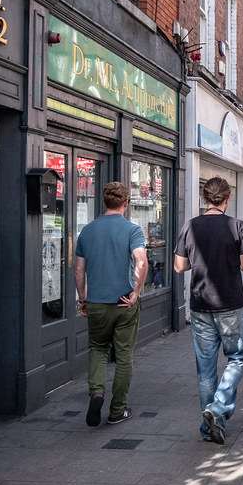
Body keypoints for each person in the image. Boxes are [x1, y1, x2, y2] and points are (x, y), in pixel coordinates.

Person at [173, 177, 243, 445]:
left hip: (200, 305)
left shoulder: (190, 226)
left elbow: (178, 266)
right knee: (238, 357)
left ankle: (211, 426)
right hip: (230, 304)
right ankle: (217, 408)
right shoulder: (237, 226)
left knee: (205, 369)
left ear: (205, 197)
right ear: (227, 198)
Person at [75, 181, 147, 427]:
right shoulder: (132, 230)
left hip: (96, 302)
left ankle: (96, 392)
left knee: (97, 349)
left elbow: (79, 271)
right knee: (124, 356)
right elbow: (141, 262)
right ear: (125, 203)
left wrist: (83, 299)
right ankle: (117, 410)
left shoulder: (87, 231)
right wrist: (136, 292)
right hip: (123, 303)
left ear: (104, 202)